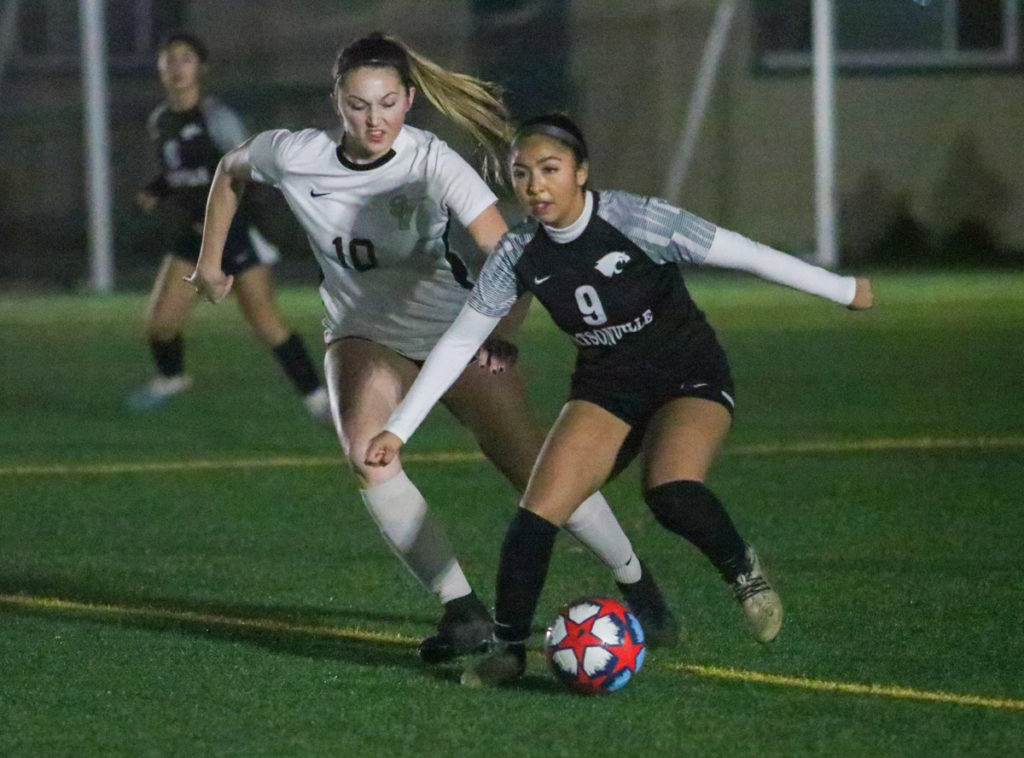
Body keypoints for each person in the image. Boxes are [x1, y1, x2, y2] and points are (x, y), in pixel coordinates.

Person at [188, 34, 677, 662]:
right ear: (337, 102)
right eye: (360, 105)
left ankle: (640, 587)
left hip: (454, 329)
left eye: (389, 103)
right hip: (363, 335)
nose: (375, 120)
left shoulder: (430, 159)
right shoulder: (295, 155)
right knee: (370, 458)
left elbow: (514, 252)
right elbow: (231, 170)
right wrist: (210, 263)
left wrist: (503, 332)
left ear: (410, 100)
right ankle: (463, 612)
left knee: (540, 473)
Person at [366, 113, 876, 687]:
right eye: (522, 174)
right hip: (607, 387)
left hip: (687, 375)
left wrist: (842, 289)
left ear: (581, 172)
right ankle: (508, 651)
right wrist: (399, 429)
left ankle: (745, 574)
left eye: (550, 170)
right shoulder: (519, 252)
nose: (536, 186)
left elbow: (746, 253)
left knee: (670, 491)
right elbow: (462, 337)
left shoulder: (635, 219)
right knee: (535, 519)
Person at [128, 31, 330, 424]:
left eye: (186, 59)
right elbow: (179, 172)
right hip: (192, 234)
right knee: (160, 325)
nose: (177, 67)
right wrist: (156, 189)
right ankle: (172, 378)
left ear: (200, 68)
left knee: (266, 322)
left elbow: (246, 171)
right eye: (169, 59)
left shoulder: (217, 117)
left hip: (231, 232)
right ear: (160, 69)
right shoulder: (161, 120)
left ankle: (318, 399)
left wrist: (223, 216)